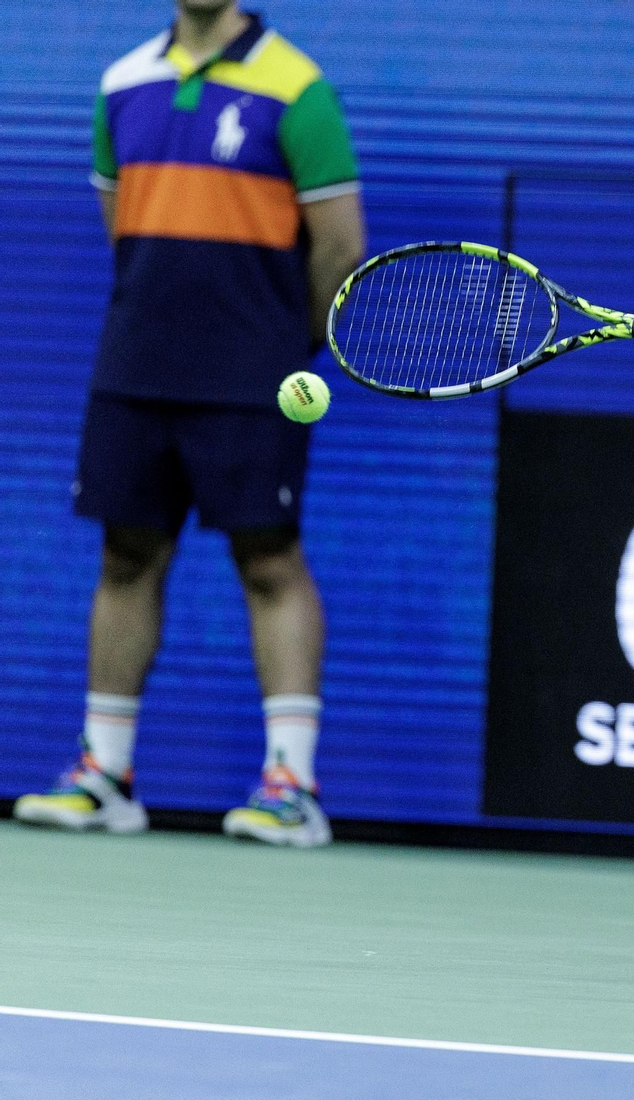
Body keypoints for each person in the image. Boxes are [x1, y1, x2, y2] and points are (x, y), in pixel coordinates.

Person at [13, 0, 366, 848]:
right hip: (137, 363)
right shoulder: (123, 83)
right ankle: (104, 775)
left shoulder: (299, 87)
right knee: (125, 553)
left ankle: (291, 785)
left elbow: (340, 248)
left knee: (268, 557)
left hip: (255, 373)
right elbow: (124, 230)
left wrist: (286, 345)